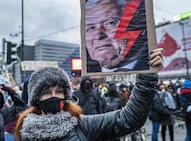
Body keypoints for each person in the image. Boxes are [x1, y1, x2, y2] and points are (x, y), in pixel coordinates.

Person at [13, 48, 164, 141]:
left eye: (59, 91)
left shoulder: (82, 125)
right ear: (36, 99)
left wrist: (146, 74)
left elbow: (129, 119)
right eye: (46, 92)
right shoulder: (26, 133)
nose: (54, 96)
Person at [85, 0, 149, 72]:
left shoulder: (154, 66)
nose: (98, 35)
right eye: (91, 28)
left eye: (110, 23)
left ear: (139, 24)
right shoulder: (84, 74)